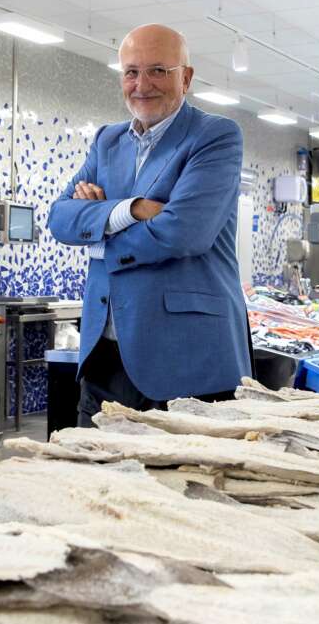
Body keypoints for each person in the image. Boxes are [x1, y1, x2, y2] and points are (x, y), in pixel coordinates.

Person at [47, 24, 251, 427]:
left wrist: (99, 230)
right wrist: (133, 209)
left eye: (158, 70)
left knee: (180, 486)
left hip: (187, 358)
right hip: (105, 358)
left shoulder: (215, 136)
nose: (142, 84)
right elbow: (59, 218)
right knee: (98, 482)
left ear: (186, 78)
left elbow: (184, 232)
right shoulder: (107, 141)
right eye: (131, 72)